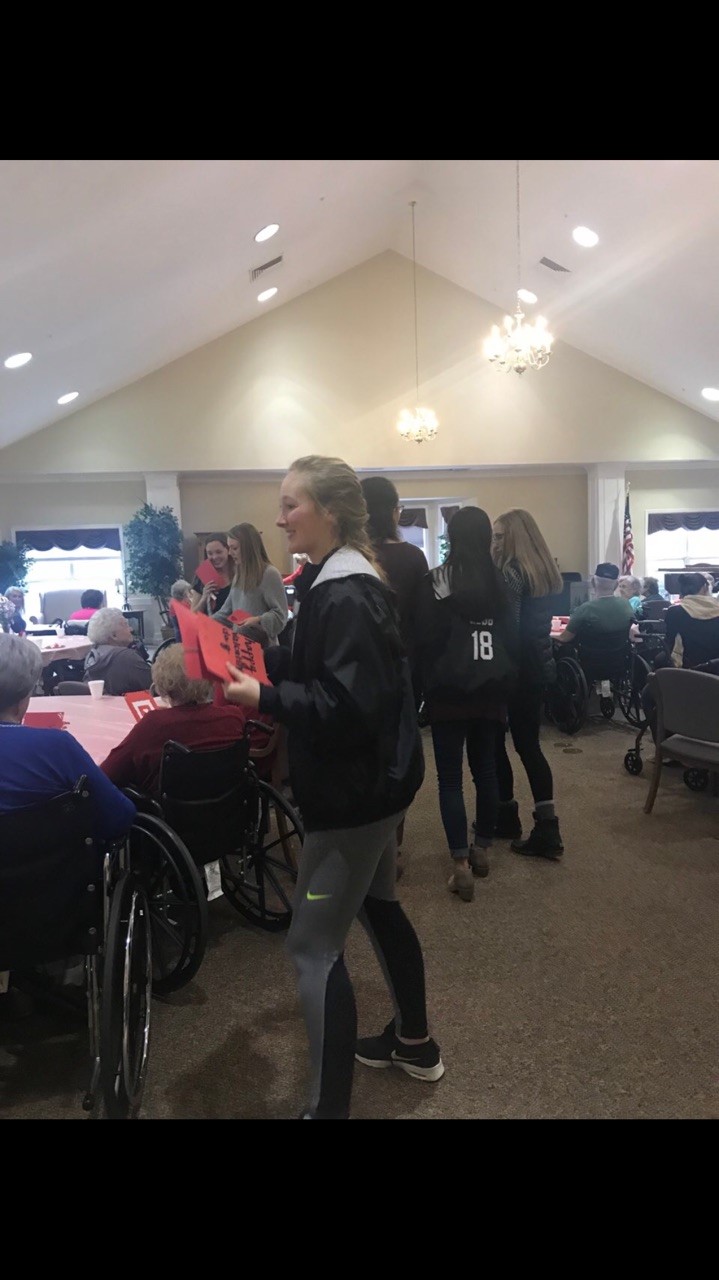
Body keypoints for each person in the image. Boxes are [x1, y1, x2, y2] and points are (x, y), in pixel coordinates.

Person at [223, 454, 441, 1120]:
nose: (280, 516)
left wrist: (261, 694)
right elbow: (315, 664)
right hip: (376, 788)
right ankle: (414, 1041)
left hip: (352, 796)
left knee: (312, 946)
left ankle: (327, 1110)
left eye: (292, 504)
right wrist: (252, 654)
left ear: (331, 512)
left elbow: (348, 708)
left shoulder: (344, 590)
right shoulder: (337, 580)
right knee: (378, 907)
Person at [412, 506, 518, 902]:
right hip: (491, 689)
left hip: (449, 690)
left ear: (451, 538)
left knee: (450, 778)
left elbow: (423, 638)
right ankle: (483, 849)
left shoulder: (436, 580)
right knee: (487, 771)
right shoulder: (499, 582)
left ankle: (459, 864)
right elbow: (513, 636)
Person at [361, 475, 429, 879]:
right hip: (401, 668)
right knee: (399, 756)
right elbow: (422, 623)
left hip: (358, 668)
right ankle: (393, 846)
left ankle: (368, 843)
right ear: (392, 511)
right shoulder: (413, 557)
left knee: (365, 757)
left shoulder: (348, 554)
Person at [491, 508, 565, 859]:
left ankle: (507, 817)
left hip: (512, 669)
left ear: (515, 538)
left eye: (499, 536)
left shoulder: (511, 574)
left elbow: (506, 626)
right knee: (529, 746)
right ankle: (547, 824)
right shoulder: (546, 573)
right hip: (537, 667)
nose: (494, 542)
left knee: (495, 743)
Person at [100, 643, 270, 796]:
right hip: (227, 809)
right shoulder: (233, 717)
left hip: (171, 816)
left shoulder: (154, 724)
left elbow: (108, 773)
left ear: (161, 685)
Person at [211, 523, 287, 644]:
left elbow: (281, 616)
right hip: (241, 648)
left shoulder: (269, 574)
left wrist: (258, 620)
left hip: (263, 651)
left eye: (234, 548)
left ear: (248, 548)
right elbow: (226, 612)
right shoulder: (239, 575)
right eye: (229, 548)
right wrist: (202, 622)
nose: (230, 553)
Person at [555, 563, 635, 644]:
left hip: (588, 656)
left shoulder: (585, 609)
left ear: (593, 582)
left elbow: (564, 638)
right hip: (620, 655)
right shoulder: (626, 605)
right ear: (616, 585)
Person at [84, 607, 152, 695]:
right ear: (114, 635)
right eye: (126, 625)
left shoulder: (93, 654)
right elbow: (156, 685)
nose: (131, 629)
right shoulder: (126, 657)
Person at [190, 533, 232, 615]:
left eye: (219, 552)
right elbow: (193, 614)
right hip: (210, 625)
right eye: (210, 553)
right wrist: (204, 597)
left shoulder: (239, 573)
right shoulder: (203, 574)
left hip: (235, 626)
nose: (215, 557)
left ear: (228, 550)